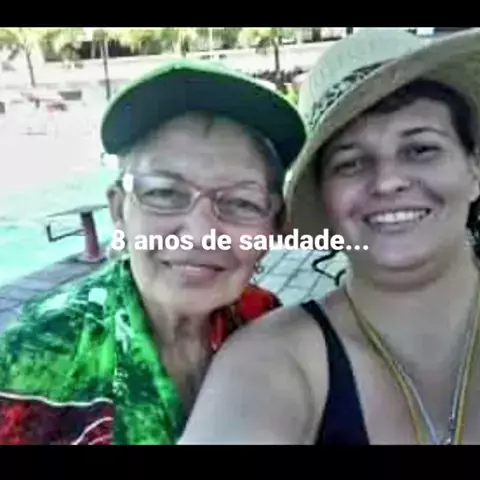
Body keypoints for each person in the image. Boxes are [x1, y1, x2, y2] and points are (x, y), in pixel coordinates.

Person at [179, 28, 480, 445]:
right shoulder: (272, 361)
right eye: (351, 162)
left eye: (420, 150)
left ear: (474, 170)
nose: (388, 181)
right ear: (324, 198)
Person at [0, 59, 306, 445]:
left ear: (274, 226)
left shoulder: (264, 319)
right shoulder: (33, 355)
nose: (200, 235)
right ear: (119, 211)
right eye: (164, 193)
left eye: (242, 202)